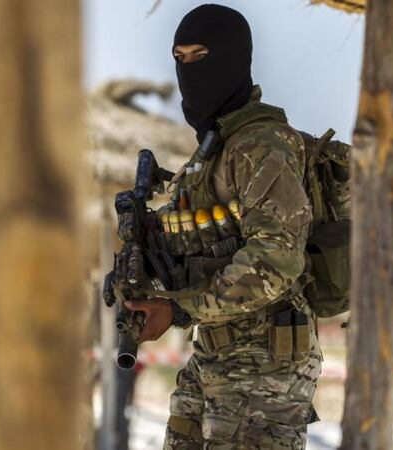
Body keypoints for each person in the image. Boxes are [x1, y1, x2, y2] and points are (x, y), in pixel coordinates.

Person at [125, 5, 323, 448]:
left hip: (265, 365)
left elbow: (276, 258)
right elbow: (203, 253)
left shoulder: (262, 145)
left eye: (200, 56)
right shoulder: (214, 151)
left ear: (233, 59)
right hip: (216, 354)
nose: (190, 69)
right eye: (180, 58)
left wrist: (178, 311)